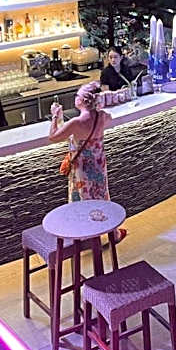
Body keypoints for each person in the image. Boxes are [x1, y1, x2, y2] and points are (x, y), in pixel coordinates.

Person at [48, 80, 126, 241]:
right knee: (102, 196)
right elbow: (109, 118)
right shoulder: (102, 116)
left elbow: (53, 137)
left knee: (82, 200)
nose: (75, 98)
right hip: (99, 164)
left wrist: (55, 116)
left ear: (82, 100)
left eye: (77, 95)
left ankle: (84, 237)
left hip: (82, 169)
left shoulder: (76, 123)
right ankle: (114, 234)